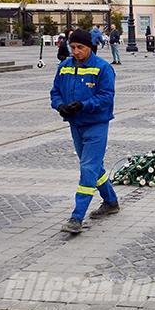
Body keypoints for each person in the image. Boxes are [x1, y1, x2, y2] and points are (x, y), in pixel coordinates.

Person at [50, 28, 119, 234]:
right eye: (72, 47)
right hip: (75, 124)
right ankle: (111, 201)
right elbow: (55, 91)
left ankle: (77, 216)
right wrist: (59, 105)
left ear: (90, 47)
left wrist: (83, 105)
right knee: (93, 166)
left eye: (80, 47)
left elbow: (106, 96)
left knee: (88, 168)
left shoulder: (103, 68)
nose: (76, 51)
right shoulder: (64, 67)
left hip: (96, 123)